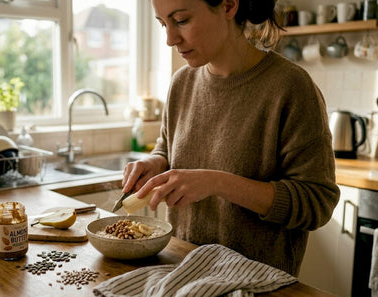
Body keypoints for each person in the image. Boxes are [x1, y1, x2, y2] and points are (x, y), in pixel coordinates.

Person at [121, 0, 340, 276]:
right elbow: (167, 148)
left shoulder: (292, 88)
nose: (169, 39)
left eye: (181, 21)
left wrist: (217, 182)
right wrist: (155, 162)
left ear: (228, 6)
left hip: (257, 284)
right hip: (182, 274)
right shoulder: (181, 83)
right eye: (164, 24)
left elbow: (316, 203)